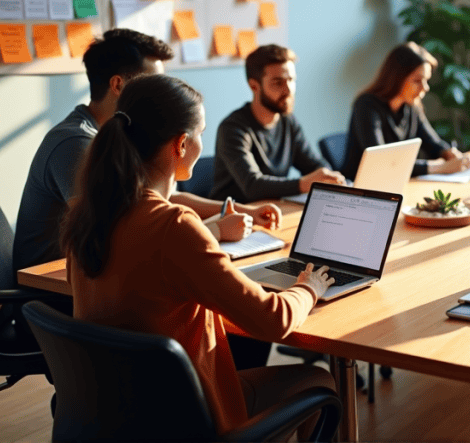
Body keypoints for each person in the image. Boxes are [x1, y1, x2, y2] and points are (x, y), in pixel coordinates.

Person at [62, 74, 337, 436]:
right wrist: (309, 287)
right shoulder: (173, 225)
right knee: (320, 380)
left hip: (114, 414)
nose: (202, 141)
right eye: (201, 132)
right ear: (180, 145)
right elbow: (272, 320)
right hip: (185, 416)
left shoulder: (87, 214)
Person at [13, 29, 281, 275]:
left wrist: (238, 211)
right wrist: (214, 231)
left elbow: (153, 199)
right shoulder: (77, 144)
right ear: (118, 85)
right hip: (56, 289)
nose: (164, 91)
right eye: (154, 81)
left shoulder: (126, 138)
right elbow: (117, 235)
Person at [212, 44, 345, 201]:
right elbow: (253, 186)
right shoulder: (233, 128)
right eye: (278, 82)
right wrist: (304, 184)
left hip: (272, 211)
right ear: (254, 86)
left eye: (291, 80)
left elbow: (314, 165)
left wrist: (327, 177)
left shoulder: (288, 121)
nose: (288, 91)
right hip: (234, 216)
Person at [340, 41, 470, 180]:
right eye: (417, 80)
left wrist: (449, 154)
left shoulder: (411, 106)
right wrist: (439, 167)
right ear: (396, 78)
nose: (425, 87)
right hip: (363, 187)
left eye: (426, 80)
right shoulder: (366, 105)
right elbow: (381, 162)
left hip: (396, 182)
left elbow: (432, 143)